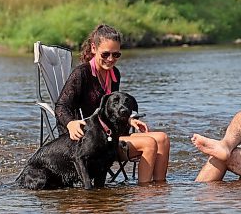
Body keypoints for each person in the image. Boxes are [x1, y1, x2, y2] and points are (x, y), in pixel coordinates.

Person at [55, 24, 170, 184]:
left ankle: (159, 190)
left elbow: (111, 110)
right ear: (94, 48)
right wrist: (70, 123)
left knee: (163, 139)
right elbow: (61, 106)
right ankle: (145, 194)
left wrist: (129, 119)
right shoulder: (81, 74)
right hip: (91, 140)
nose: (111, 59)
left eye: (116, 55)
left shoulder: (114, 74)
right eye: (106, 54)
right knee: (149, 143)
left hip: (110, 134)